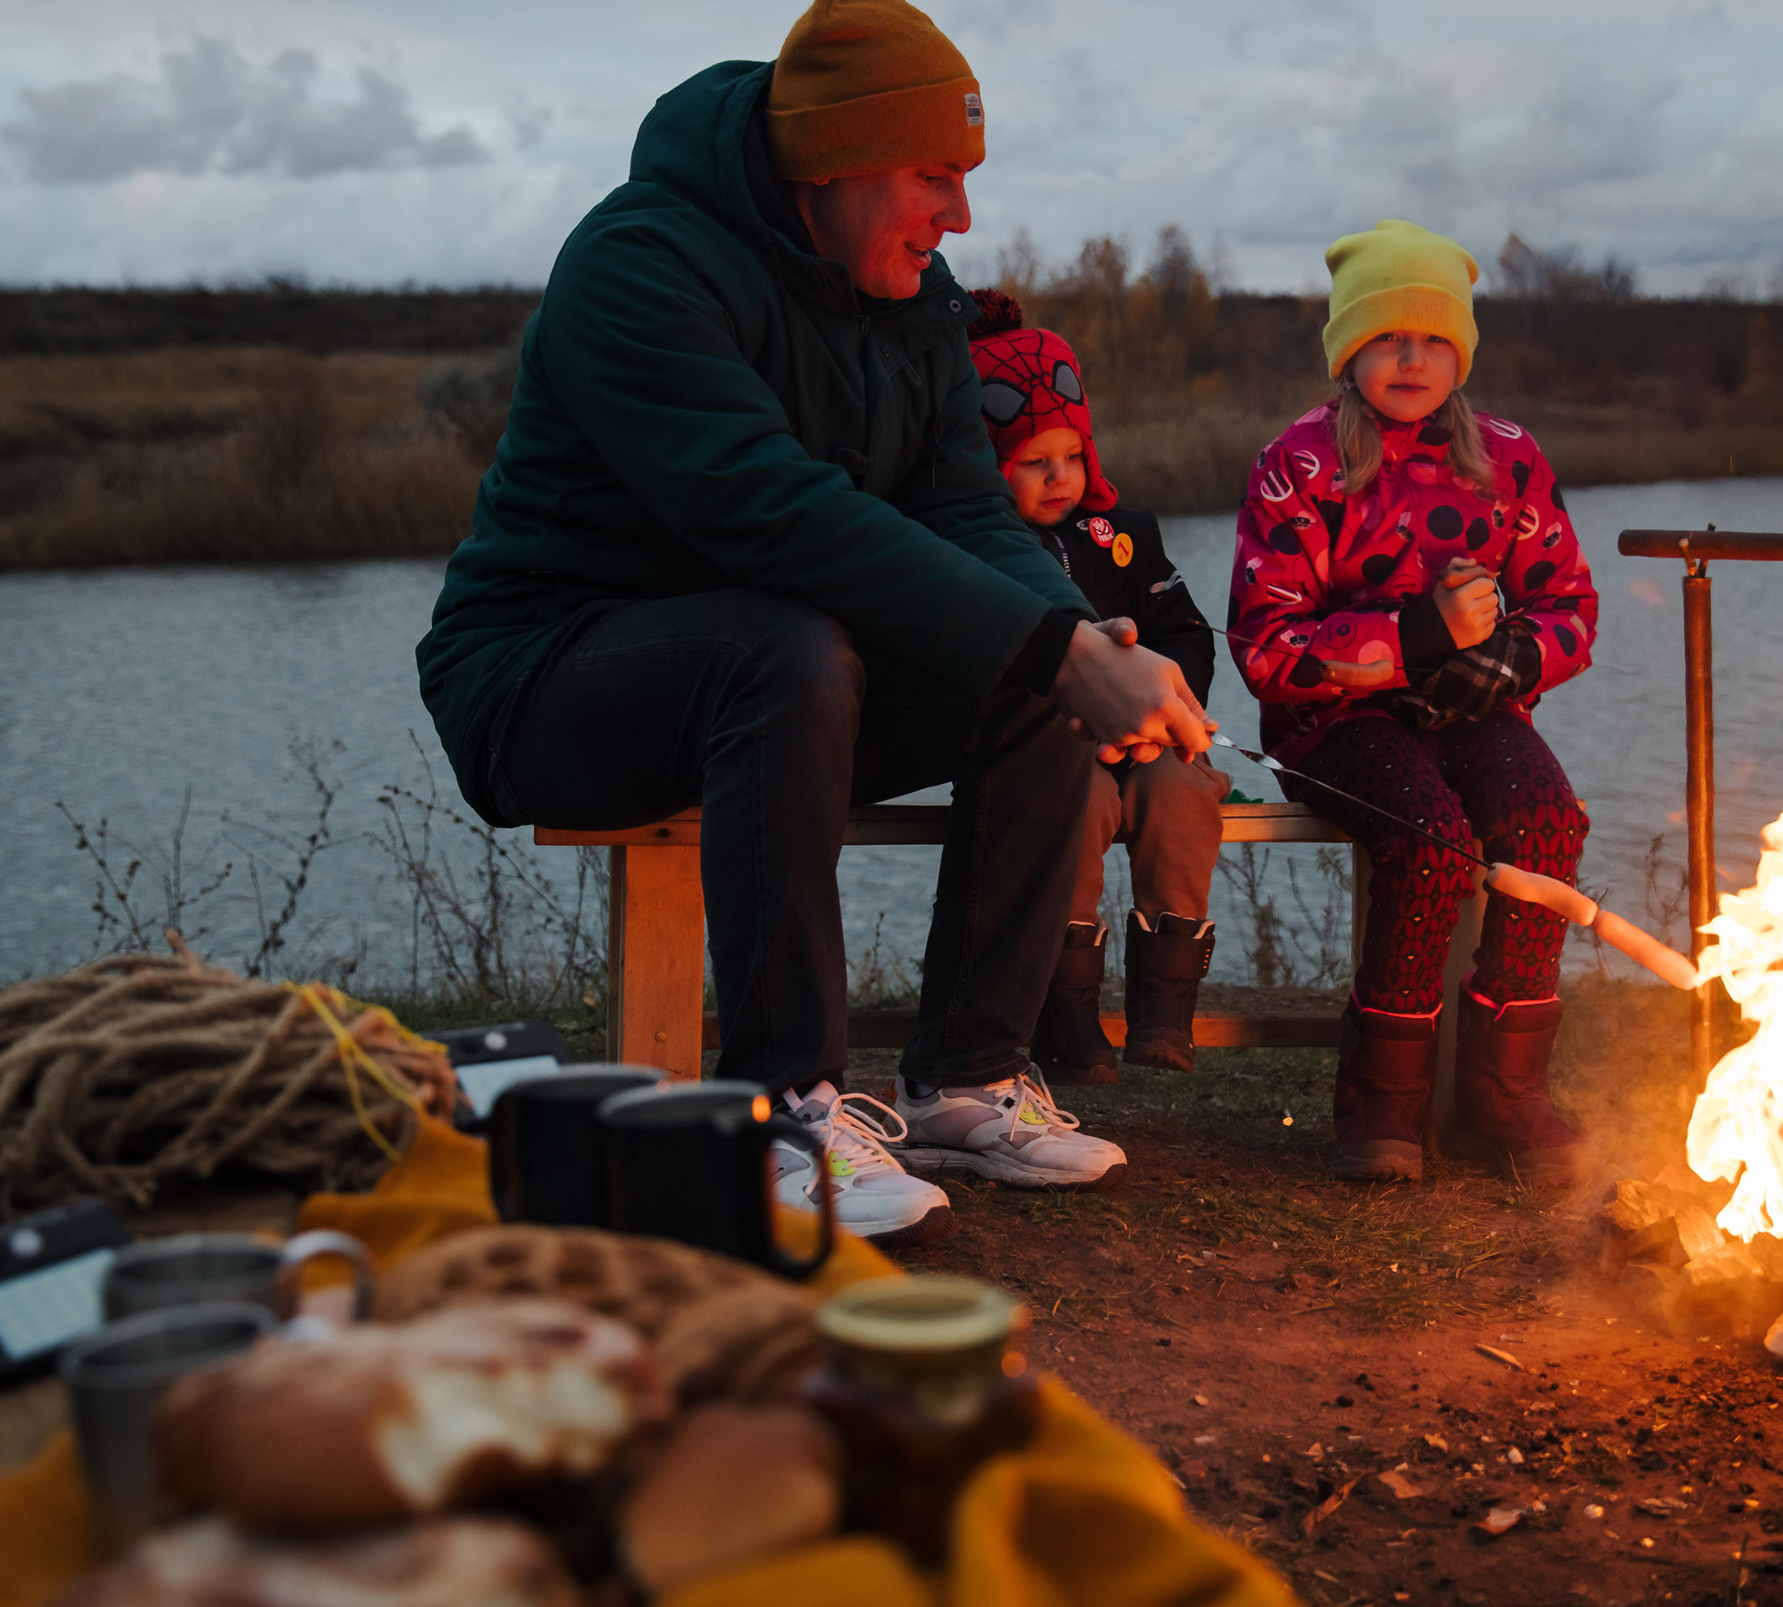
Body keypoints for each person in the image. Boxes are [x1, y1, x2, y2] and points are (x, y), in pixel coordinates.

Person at [413, 0, 1210, 1246]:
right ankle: (779, 1111)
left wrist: (1079, 640)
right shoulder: (638, 264)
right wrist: (1048, 641)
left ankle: (962, 1078)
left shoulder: (913, 298)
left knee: (1026, 668)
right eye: (935, 179)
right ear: (829, 161)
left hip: (773, 680)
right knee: (789, 647)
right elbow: (768, 512)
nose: (959, 216)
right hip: (546, 675)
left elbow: (963, 506)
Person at [1226, 219, 1598, 1187]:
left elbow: (1569, 605)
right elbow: (1265, 648)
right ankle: (1381, 1107)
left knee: (1545, 822)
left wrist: (1510, 661)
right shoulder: (1299, 465)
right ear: (1349, 349)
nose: (1411, 357)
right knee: (1428, 836)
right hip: (1333, 720)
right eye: (1388, 336)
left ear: (1461, 354)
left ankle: (1501, 1101)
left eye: (1435, 338)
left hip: (1473, 706)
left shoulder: (1507, 460)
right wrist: (1418, 638)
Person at [965, 290, 1228, 1083]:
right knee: (1071, 814)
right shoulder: (985, 550)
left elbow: (1185, 632)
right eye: (1033, 463)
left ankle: (1163, 1010)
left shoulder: (1126, 536)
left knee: (1186, 796)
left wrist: (1165, 707)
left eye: (1071, 457)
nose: (1059, 477)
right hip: (1061, 749)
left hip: (1148, 736)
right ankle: (1070, 1022)